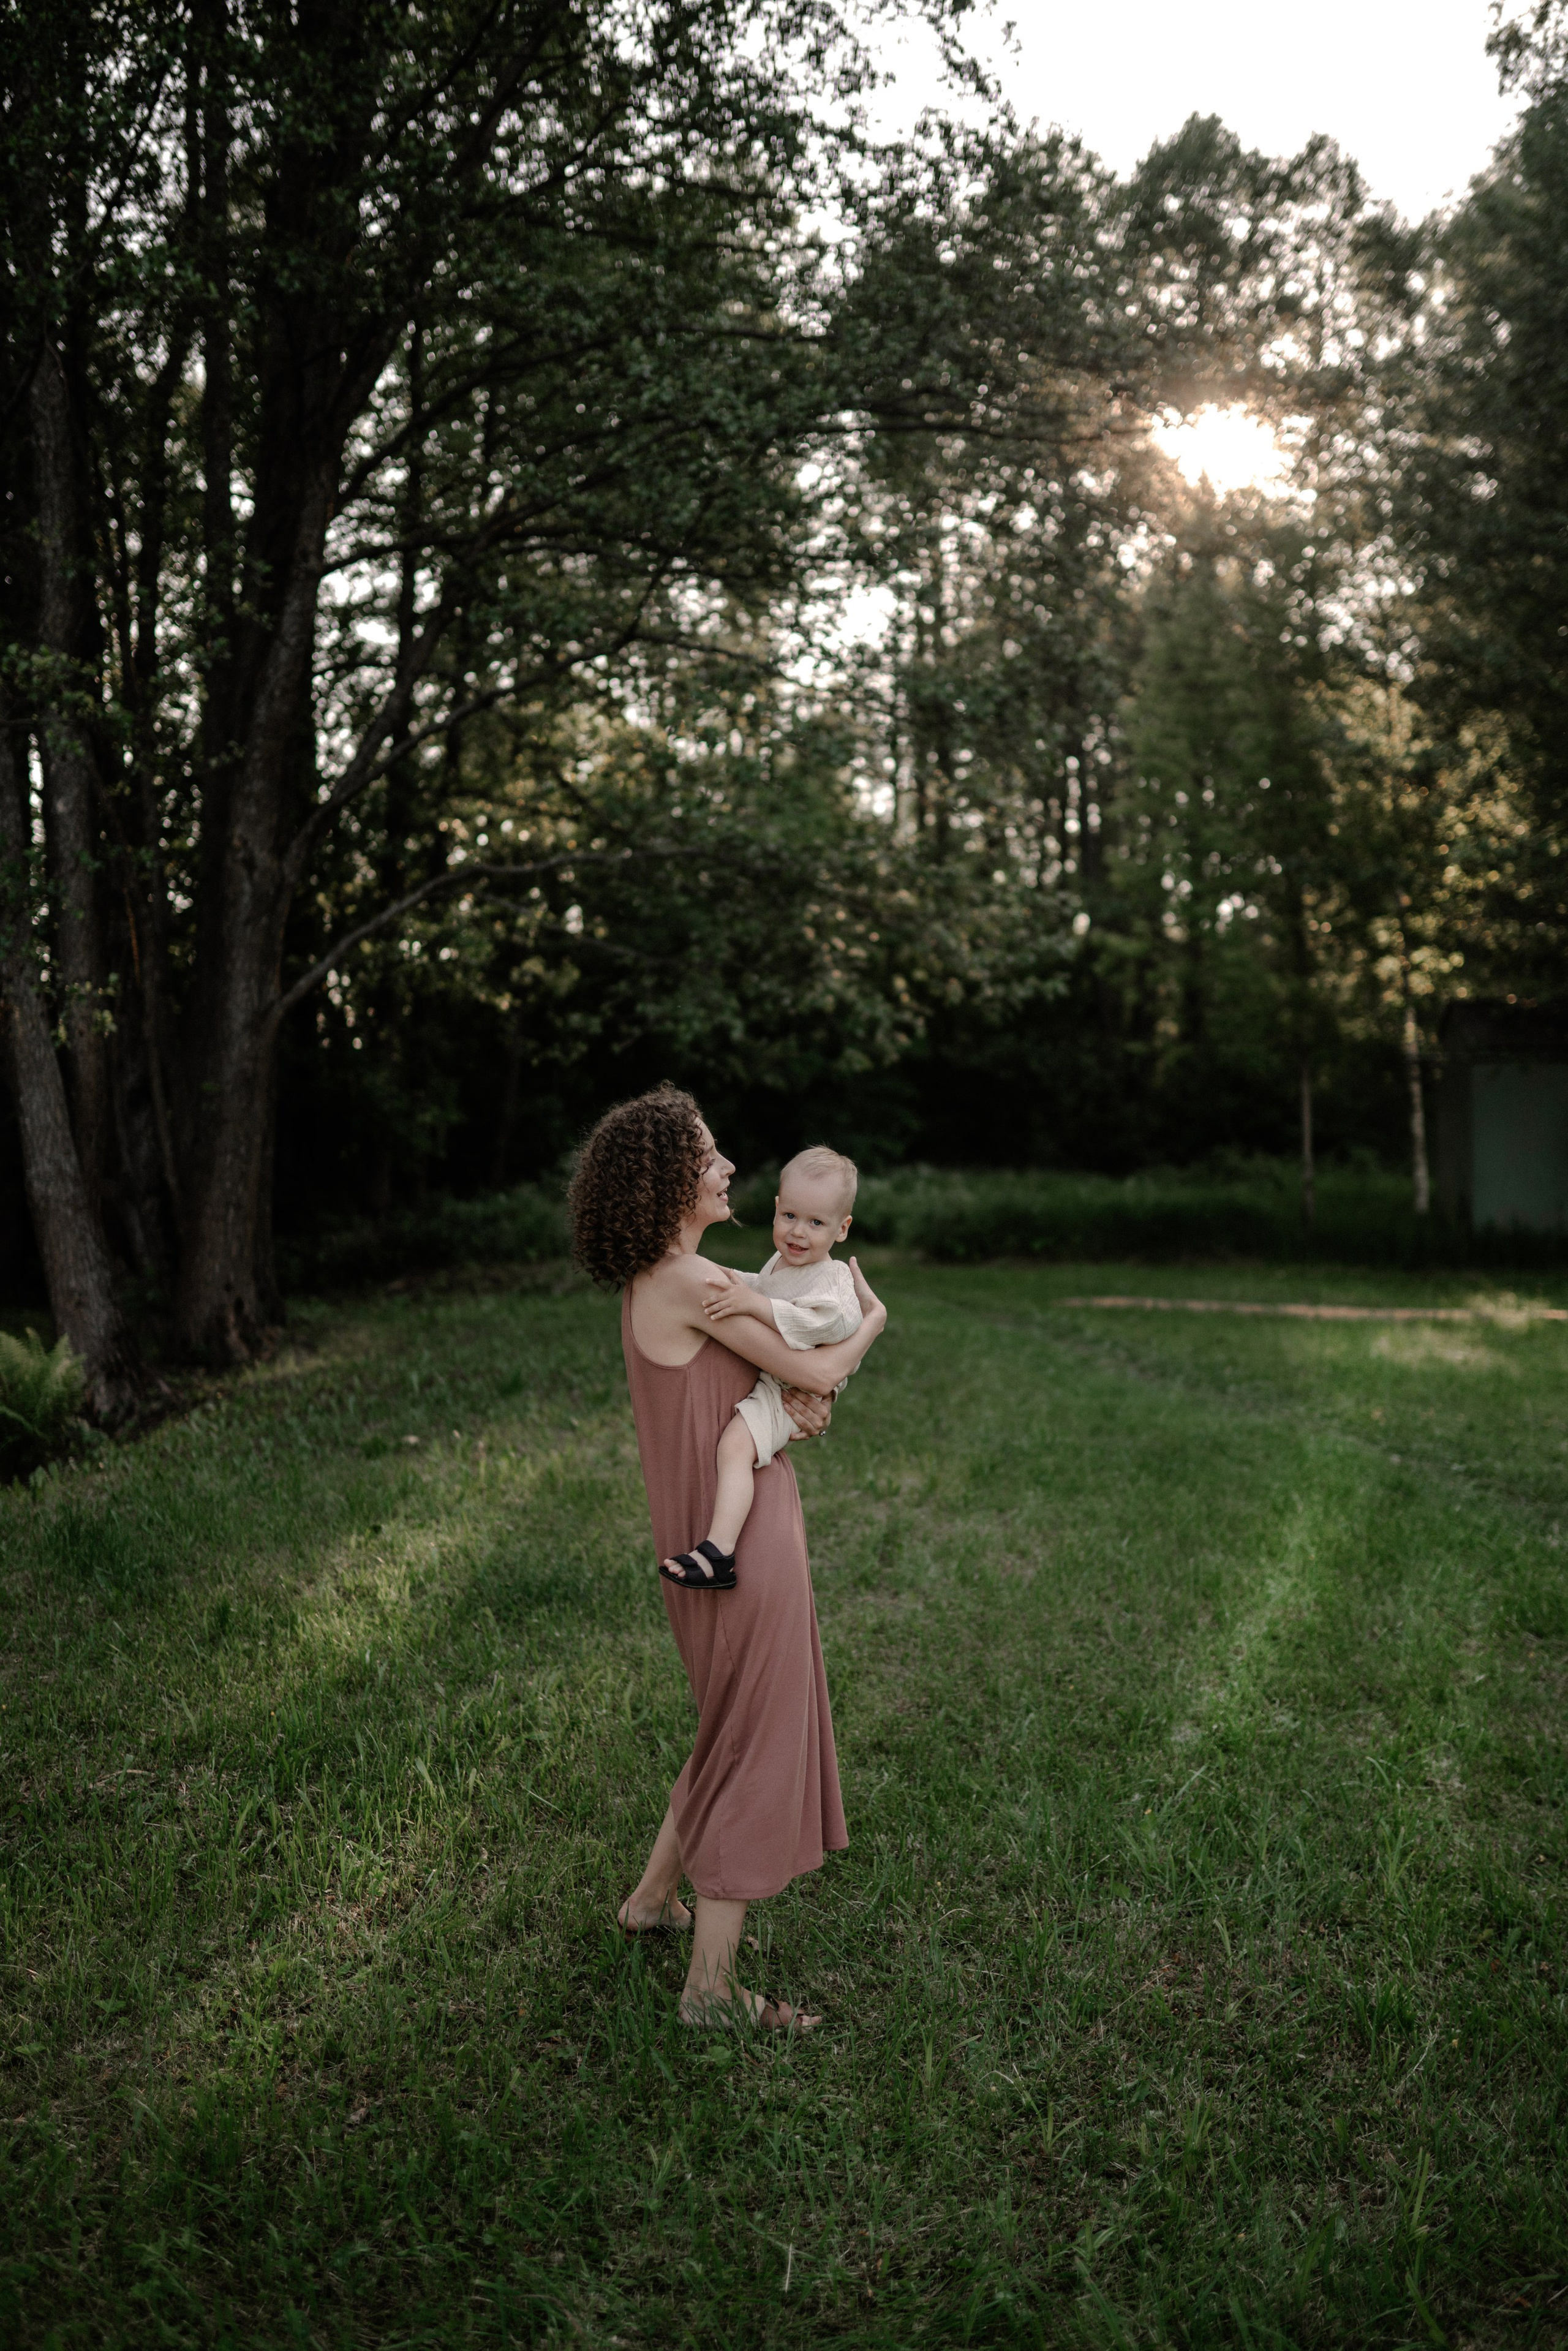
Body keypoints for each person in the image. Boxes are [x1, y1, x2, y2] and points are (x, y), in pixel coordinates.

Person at [568, 1087, 886, 2032]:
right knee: (755, 1739)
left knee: (729, 1725)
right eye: (709, 1156)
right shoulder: (691, 1279)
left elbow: (768, 1380)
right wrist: (871, 1322)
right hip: (743, 1545)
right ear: (670, 1180)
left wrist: (799, 1405)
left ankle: (651, 1899)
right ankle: (710, 1990)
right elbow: (817, 1366)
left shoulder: (668, 1277)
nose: (729, 1168)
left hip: (702, 1532)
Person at [658, 1145, 862, 1592]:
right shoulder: (784, 1263)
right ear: (776, 1209)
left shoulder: (833, 1279)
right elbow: (764, 1288)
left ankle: (718, 1553)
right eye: (789, 1216)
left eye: (816, 1223)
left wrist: (754, 1304)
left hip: (790, 1390)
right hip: (782, 1380)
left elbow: (820, 1324)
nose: (798, 1232)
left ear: (842, 1229)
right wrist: (725, 1277)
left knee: (735, 1448)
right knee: (734, 1448)